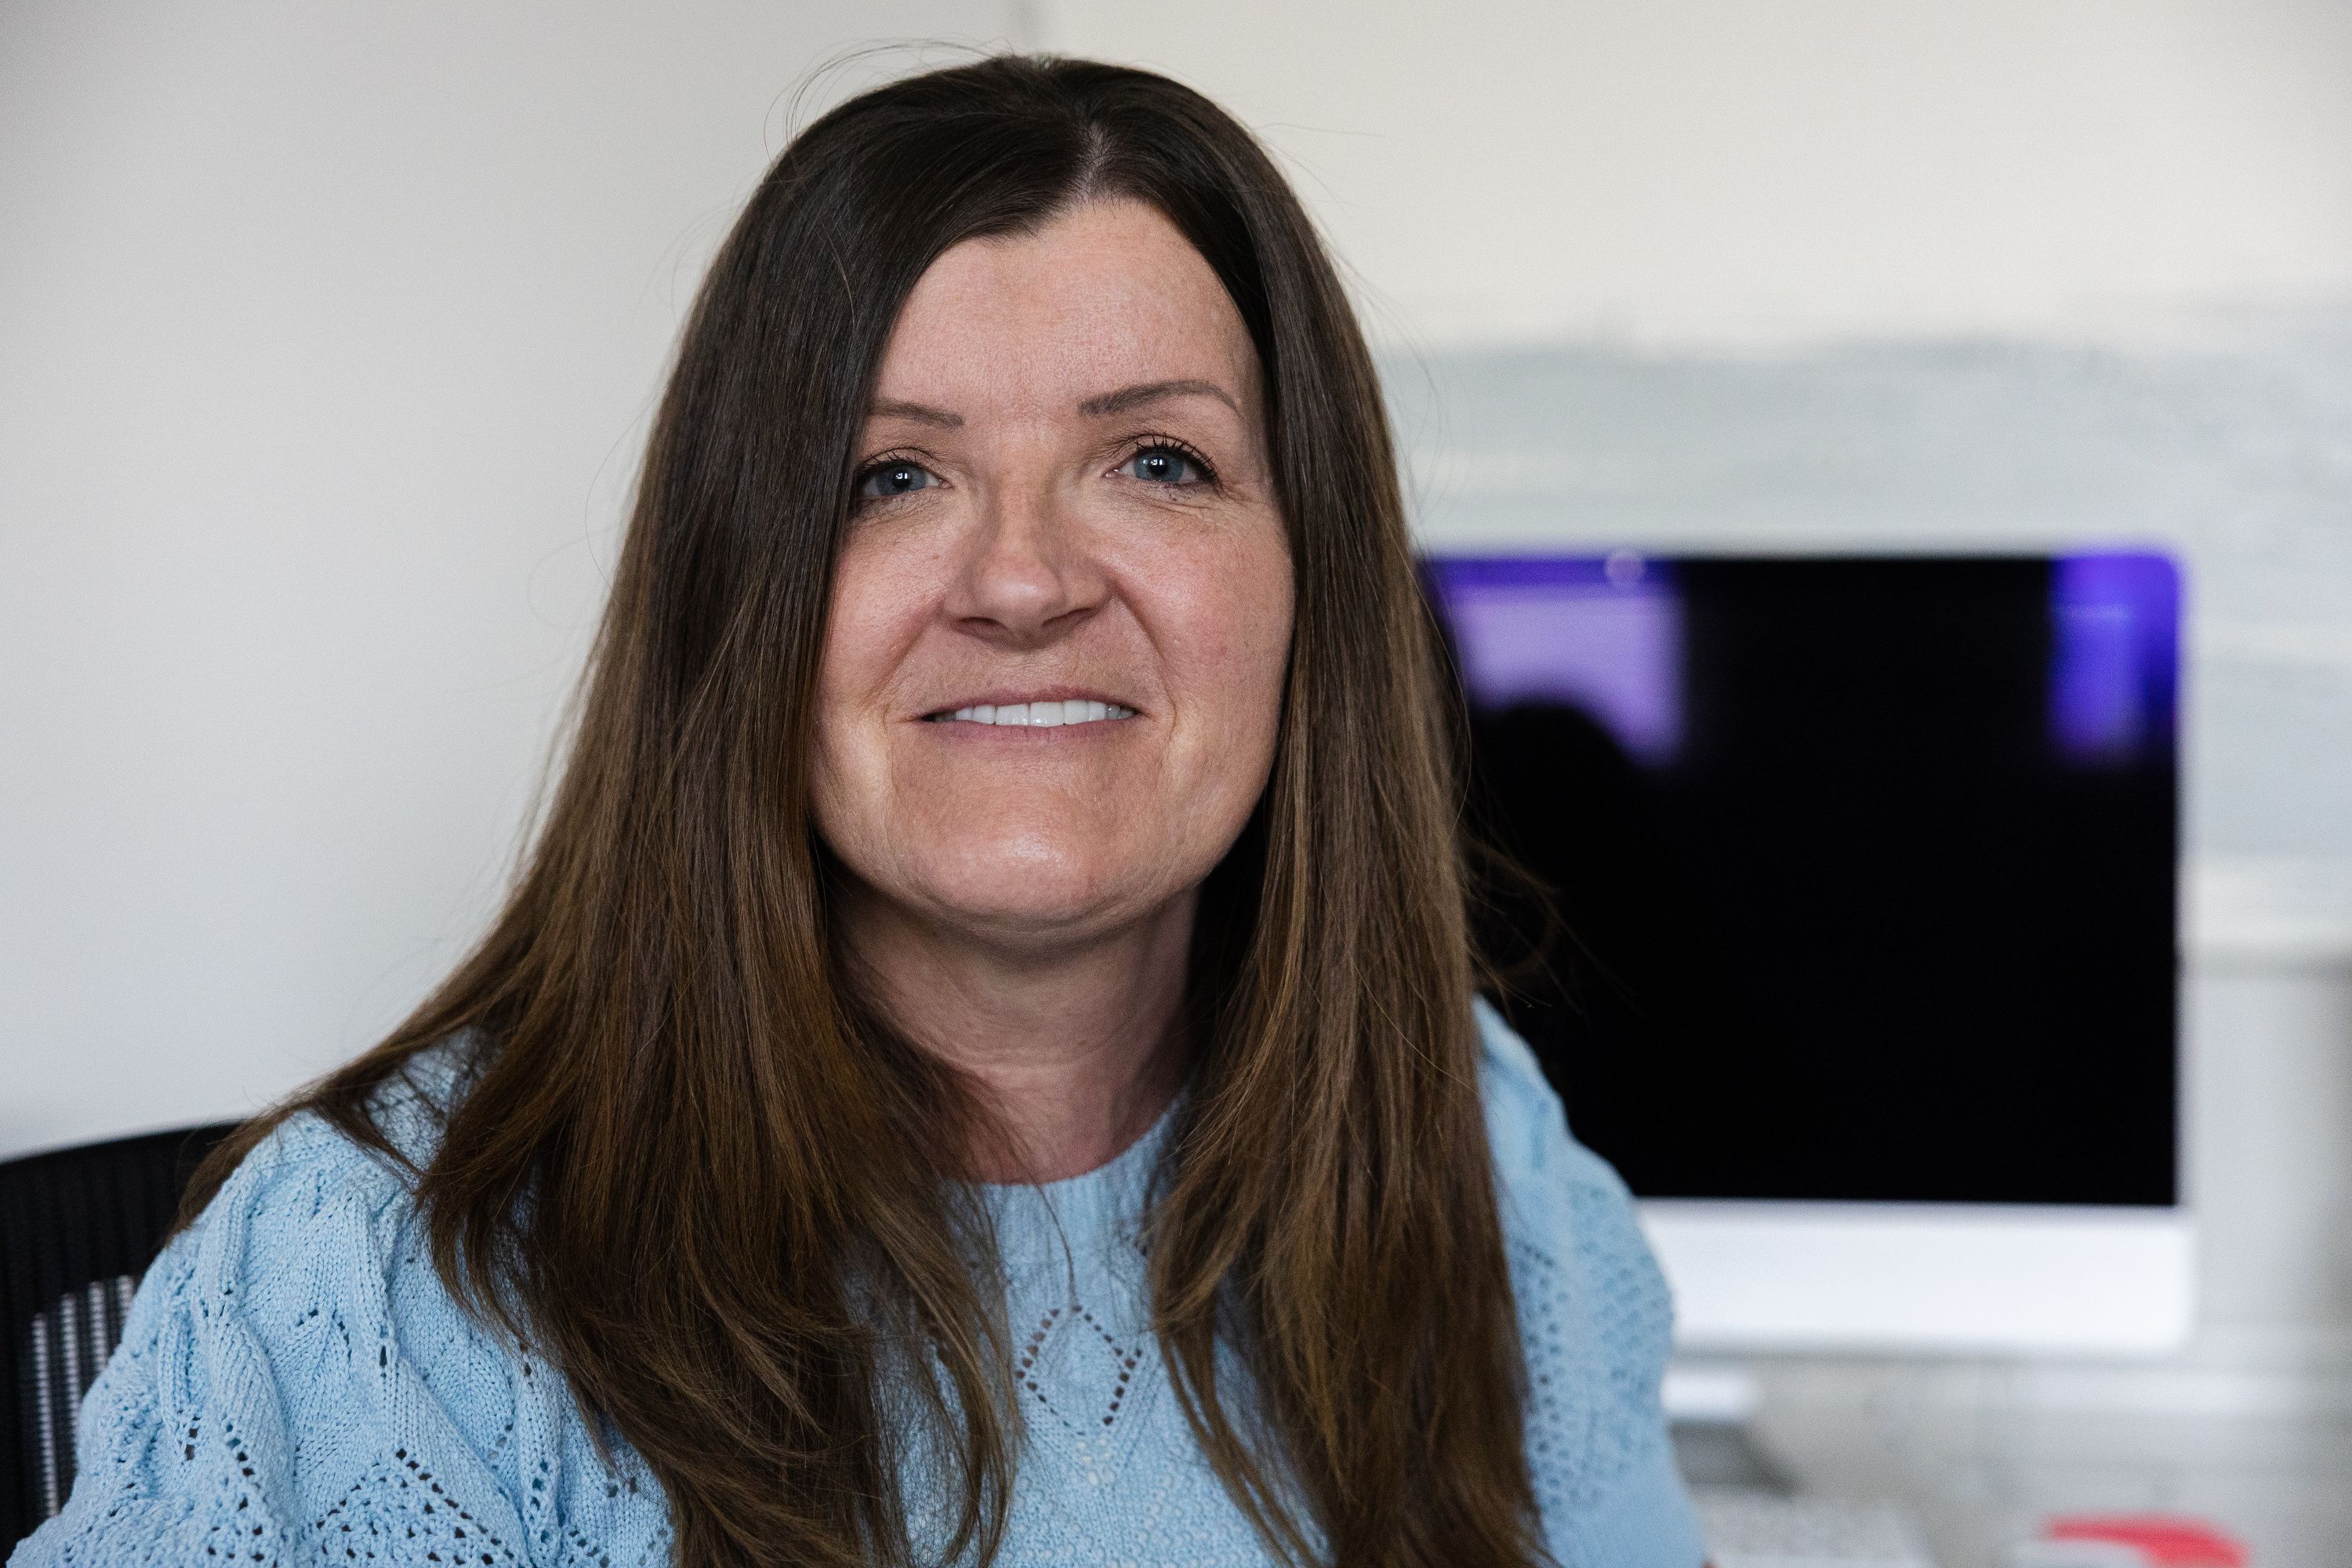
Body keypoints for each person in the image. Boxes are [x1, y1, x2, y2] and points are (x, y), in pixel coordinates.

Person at [13, 55, 1705, 1568]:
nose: (1025, 578)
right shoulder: (383, 1291)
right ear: (737, 601)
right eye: (891, 477)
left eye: (1159, 462)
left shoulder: (1469, 1143)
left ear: (1310, 583)